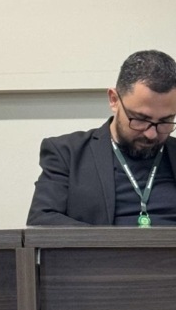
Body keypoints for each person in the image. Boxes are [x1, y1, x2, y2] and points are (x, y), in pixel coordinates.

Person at [27, 49, 176, 226]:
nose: (151, 134)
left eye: (165, 121)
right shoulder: (67, 153)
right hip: (99, 245)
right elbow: (42, 221)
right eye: (141, 119)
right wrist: (111, 241)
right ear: (114, 100)